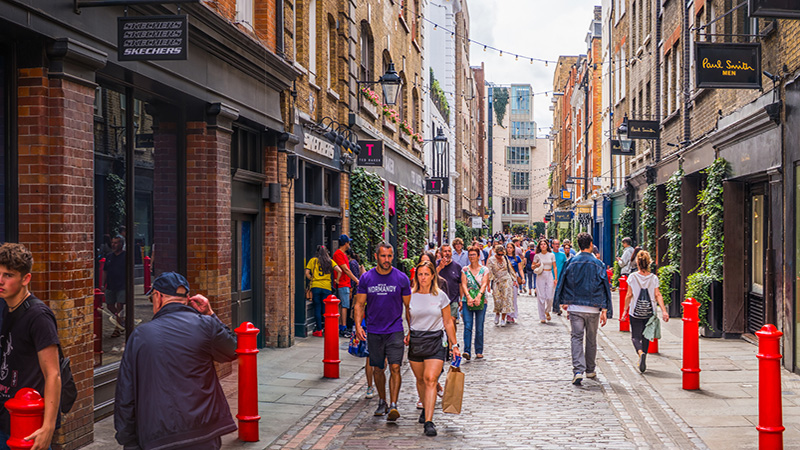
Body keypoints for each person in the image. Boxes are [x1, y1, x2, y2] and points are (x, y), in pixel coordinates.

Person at [115, 272, 237, 449]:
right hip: (204, 432)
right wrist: (210, 314)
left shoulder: (141, 335)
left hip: (158, 435)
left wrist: (128, 439)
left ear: (158, 296)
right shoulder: (205, 325)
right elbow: (233, 350)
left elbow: (126, 392)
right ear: (187, 299)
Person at [0, 243, 61, 450]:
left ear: (25, 279)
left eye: (8, 275)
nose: (0, 281)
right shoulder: (6, 308)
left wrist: (48, 427)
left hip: (28, 425)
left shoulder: (39, 317)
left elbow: (53, 374)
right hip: (6, 418)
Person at [354, 242, 411, 422]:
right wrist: (358, 326)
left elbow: (408, 307)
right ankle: (382, 400)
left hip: (395, 330)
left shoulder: (401, 278)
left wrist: (412, 330)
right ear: (377, 257)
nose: (387, 260)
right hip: (374, 330)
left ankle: (393, 405)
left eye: (389, 256)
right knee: (378, 369)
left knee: (395, 367)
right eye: (383, 256)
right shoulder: (367, 278)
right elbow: (359, 304)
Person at [406, 261, 460, 437]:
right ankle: (425, 408)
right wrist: (408, 332)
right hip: (416, 340)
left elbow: (448, 322)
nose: (423, 278)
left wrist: (455, 345)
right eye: (420, 274)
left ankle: (429, 421)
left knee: (430, 379)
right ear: (416, 277)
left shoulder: (441, 296)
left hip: (436, 340)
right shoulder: (410, 296)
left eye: (426, 274)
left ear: (432, 276)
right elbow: (408, 316)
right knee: (421, 380)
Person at [553, 233, 612, 386]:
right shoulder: (599, 264)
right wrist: (605, 309)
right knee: (591, 339)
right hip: (593, 308)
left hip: (575, 307)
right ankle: (590, 369)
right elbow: (605, 287)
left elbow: (562, 283)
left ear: (578, 245)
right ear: (591, 244)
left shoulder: (571, 262)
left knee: (576, 338)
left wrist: (562, 302)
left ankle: (578, 370)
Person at [621, 250, 669, 373]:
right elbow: (658, 294)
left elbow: (629, 294)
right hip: (649, 312)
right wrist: (664, 311)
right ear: (648, 263)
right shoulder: (653, 278)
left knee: (635, 337)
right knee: (646, 336)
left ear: (637, 262)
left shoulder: (632, 277)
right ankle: (644, 356)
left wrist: (625, 310)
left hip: (635, 312)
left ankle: (640, 353)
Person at [305, 246, 342, 337]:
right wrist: (337, 280)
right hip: (326, 287)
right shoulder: (329, 261)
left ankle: (318, 330)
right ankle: (327, 328)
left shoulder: (313, 260)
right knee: (326, 309)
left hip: (316, 286)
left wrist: (311, 278)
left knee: (317, 307)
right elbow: (340, 270)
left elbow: (306, 273)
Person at [460, 246, 489, 360]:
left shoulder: (484, 270)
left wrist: (478, 296)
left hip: (481, 300)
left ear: (478, 256)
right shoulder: (465, 270)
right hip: (467, 300)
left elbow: (484, 283)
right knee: (467, 325)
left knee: (479, 326)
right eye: (470, 254)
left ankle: (479, 350)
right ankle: (467, 350)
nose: (471, 257)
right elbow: (463, 284)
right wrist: (467, 297)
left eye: (473, 254)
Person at [332, 235, 360, 338]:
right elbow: (346, 270)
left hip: (345, 283)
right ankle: (343, 327)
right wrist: (356, 280)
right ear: (345, 243)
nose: (349, 244)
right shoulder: (339, 254)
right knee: (344, 306)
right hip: (343, 283)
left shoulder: (341, 254)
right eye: (348, 242)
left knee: (342, 305)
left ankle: (341, 326)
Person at [485, 244, 516, 327]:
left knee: (506, 299)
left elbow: (510, 269)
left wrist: (514, 279)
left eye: (502, 254)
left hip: (507, 280)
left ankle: (503, 318)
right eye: (499, 254)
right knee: (497, 299)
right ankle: (497, 313)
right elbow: (489, 272)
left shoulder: (505, 258)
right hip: (497, 281)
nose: (500, 256)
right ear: (495, 253)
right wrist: (488, 284)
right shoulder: (491, 260)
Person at [435, 244, 463, 332]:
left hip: (453, 299)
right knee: (440, 322)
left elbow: (460, 284)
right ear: (440, 253)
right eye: (445, 251)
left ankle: (452, 341)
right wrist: (440, 267)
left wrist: (461, 299)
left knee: (452, 320)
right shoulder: (435, 265)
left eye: (449, 251)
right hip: (438, 299)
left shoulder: (457, 266)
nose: (447, 253)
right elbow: (432, 278)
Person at [105, 234, 126, 338]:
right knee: (109, 305)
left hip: (122, 285)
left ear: (121, 244)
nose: (113, 245)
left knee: (120, 306)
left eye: (116, 243)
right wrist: (102, 284)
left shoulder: (126, 256)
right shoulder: (109, 256)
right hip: (110, 284)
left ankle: (117, 328)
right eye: (112, 243)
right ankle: (122, 320)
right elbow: (105, 270)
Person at [533, 239, 557, 324]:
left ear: (547, 245)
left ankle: (547, 311)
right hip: (540, 275)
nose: (543, 246)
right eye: (541, 244)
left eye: (544, 244)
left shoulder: (551, 255)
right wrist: (536, 265)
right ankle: (542, 316)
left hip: (549, 274)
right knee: (541, 296)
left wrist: (555, 278)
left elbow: (554, 267)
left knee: (550, 296)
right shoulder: (537, 256)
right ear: (539, 246)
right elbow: (532, 266)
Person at [505, 243, 525, 324]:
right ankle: (507, 314)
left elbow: (520, 269)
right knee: (506, 297)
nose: (509, 249)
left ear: (513, 249)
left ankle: (513, 314)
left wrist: (523, 277)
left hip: (514, 277)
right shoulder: (504, 258)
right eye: (508, 247)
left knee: (513, 297)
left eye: (511, 248)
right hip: (505, 278)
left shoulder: (517, 258)